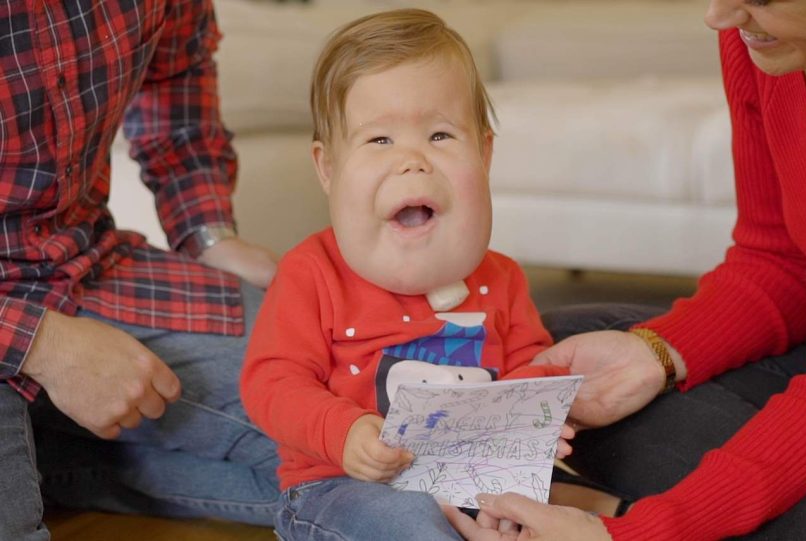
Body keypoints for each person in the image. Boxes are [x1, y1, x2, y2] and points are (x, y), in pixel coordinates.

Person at [445, 0, 806, 539]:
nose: (719, 15)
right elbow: (781, 261)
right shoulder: (765, 44)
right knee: (569, 348)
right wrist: (655, 353)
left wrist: (637, 535)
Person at [240, 9, 572, 541]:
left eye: (441, 135)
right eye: (379, 141)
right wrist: (342, 432)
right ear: (328, 168)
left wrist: (537, 419)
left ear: (484, 154)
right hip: (339, 489)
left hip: (472, 483)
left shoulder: (502, 278)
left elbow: (529, 365)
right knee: (409, 524)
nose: (413, 161)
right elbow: (271, 383)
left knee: (557, 515)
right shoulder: (312, 272)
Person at [0, 1, 283, 539]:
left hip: (84, 264)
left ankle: (52, 461)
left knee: (350, 431)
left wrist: (208, 234)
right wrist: (44, 345)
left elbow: (177, 74)